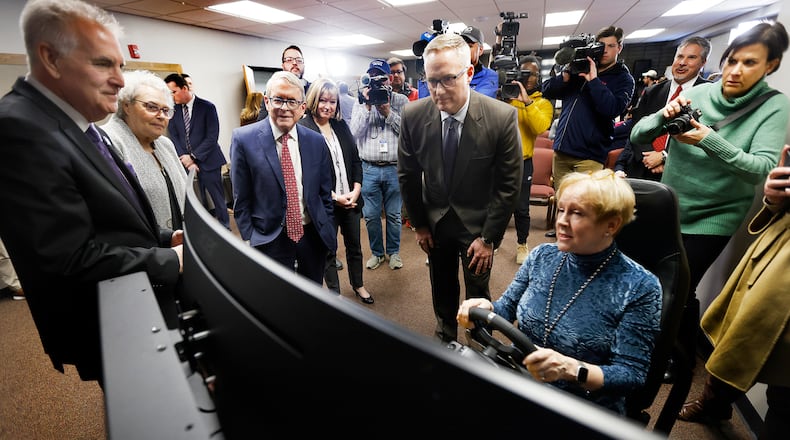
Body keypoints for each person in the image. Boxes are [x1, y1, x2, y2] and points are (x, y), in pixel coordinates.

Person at [0, 0, 183, 383]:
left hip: (137, 300)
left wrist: (164, 236)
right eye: (103, 64)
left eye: (120, 66)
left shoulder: (79, 121)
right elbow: (68, 258)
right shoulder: (20, 128)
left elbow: (106, 215)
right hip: (107, 316)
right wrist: (168, 260)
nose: (119, 80)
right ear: (50, 58)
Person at [630, 21, 790, 388]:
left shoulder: (774, 105)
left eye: (749, 62)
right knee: (656, 283)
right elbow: (638, 134)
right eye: (732, 60)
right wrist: (663, 117)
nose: (736, 70)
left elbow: (760, 169)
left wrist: (708, 139)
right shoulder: (700, 94)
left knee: (679, 290)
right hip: (672, 207)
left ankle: (677, 361)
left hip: (714, 216)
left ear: (771, 65)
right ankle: (666, 350)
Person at [457, 169, 662, 415]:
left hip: (582, 408)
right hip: (522, 382)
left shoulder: (640, 286)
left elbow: (631, 374)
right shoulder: (542, 256)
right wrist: (487, 307)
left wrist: (571, 369)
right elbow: (507, 308)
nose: (562, 221)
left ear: (611, 224)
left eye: (577, 213)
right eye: (562, 210)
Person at [398, 33, 522, 343]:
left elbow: (508, 186)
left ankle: (479, 339)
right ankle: (446, 334)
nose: (438, 91)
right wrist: (420, 225)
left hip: (478, 224)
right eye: (431, 81)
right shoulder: (413, 115)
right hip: (436, 222)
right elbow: (408, 176)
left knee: (477, 289)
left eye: (447, 79)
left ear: (468, 72)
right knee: (441, 284)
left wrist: (489, 238)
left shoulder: (501, 117)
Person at [677, 146, 790, 440]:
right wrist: (774, 200)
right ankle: (713, 404)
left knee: (784, 399)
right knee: (736, 341)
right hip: (775, 261)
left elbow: (755, 165)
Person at [230, 71, 336, 285]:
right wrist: (250, 237)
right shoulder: (244, 139)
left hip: (311, 236)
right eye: (278, 99)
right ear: (267, 101)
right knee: (277, 296)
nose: (285, 107)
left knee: (312, 294)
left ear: (302, 107)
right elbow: (241, 199)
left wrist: (327, 227)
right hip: (269, 238)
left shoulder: (316, 141)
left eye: (292, 101)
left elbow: (324, 193)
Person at [542, 26, 635, 237]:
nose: (605, 50)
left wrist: (593, 81)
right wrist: (565, 75)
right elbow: (547, 90)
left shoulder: (623, 78)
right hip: (563, 148)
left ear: (619, 47)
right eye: (601, 46)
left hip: (590, 154)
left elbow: (612, 109)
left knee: (584, 204)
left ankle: (581, 242)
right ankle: (563, 235)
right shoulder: (577, 70)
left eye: (610, 46)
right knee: (563, 200)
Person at [298, 78, 373, 303]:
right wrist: (335, 197)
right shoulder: (304, 129)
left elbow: (355, 161)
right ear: (314, 100)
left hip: (351, 200)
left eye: (332, 102)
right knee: (328, 250)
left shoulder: (340, 125)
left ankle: (358, 285)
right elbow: (306, 174)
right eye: (323, 100)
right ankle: (335, 294)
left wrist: (356, 190)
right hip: (326, 203)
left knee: (355, 247)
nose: (328, 106)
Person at [615, 36, 711, 181]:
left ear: (703, 62)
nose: (682, 63)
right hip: (642, 166)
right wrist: (648, 156)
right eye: (679, 56)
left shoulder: (708, 94)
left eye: (691, 57)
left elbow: (707, 135)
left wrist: (664, 156)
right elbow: (637, 128)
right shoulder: (652, 92)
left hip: (680, 173)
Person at [102, 70, 189, 230]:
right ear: (126, 105)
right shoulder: (108, 142)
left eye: (166, 110)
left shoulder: (165, 144)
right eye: (152, 107)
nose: (161, 116)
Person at [351, 58, 409, 271]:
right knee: (371, 216)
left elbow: (408, 134)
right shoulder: (360, 101)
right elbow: (354, 133)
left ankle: (394, 253)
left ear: (390, 79)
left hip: (394, 167)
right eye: (373, 77)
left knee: (394, 215)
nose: (377, 81)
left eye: (381, 77)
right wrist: (367, 107)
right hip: (369, 169)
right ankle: (377, 254)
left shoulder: (401, 101)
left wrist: (388, 113)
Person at [165, 73, 230, 229]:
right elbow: (173, 136)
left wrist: (193, 157)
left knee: (217, 199)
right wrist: (185, 159)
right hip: (186, 164)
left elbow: (212, 137)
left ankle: (225, 229)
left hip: (209, 160)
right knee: (196, 199)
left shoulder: (207, 107)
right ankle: (204, 229)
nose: (171, 96)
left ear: (184, 88)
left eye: (173, 92)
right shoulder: (173, 111)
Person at [506, 55, 554, 264]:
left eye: (531, 74)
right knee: (496, 204)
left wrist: (527, 102)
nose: (527, 77)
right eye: (523, 72)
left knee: (521, 208)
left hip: (523, 162)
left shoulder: (543, 103)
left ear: (538, 76)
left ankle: (522, 244)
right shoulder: (507, 96)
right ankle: (492, 240)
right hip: (500, 160)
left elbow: (539, 127)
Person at [258, 45, 311, 122]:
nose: (294, 63)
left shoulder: (314, 91)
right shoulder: (272, 90)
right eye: (289, 60)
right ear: (283, 66)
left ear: (304, 65)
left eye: (299, 60)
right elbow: (262, 122)